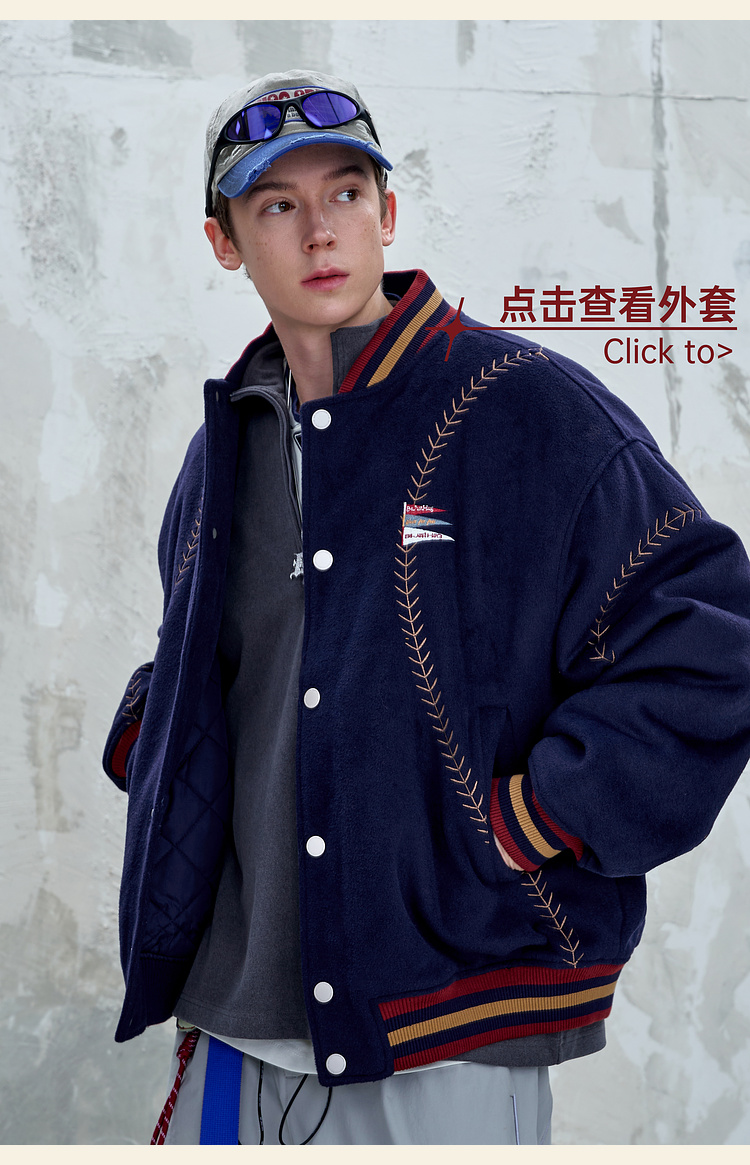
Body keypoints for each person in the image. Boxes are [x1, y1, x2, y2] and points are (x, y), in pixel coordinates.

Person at [103, 69, 750, 1145]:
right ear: (225, 242)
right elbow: (216, 659)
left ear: (388, 212)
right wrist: (155, 738)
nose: (321, 230)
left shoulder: (523, 408)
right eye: (277, 204)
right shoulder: (225, 450)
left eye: (347, 193)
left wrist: (532, 819)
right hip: (231, 1020)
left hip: (447, 1030)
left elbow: (713, 640)